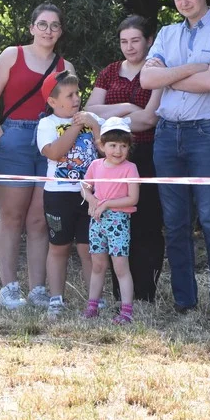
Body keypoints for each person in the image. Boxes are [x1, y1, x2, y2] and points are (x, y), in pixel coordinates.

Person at [140, 0, 210, 315]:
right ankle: (184, 300)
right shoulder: (167, 33)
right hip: (167, 134)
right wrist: (192, 68)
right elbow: (146, 79)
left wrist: (167, 77)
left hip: (207, 134)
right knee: (176, 222)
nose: (184, 2)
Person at [0, 4, 73, 309]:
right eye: (43, 24)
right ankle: (8, 288)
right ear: (31, 27)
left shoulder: (65, 67)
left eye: (55, 25)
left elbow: (70, 110)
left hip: (50, 142)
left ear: (60, 31)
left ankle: (37, 290)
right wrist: (2, 138)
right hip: (14, 140)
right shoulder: (12, 55)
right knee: (11, 217)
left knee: (38, 221)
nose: (48, 30)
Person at [84, 15, 165, 302]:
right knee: (114, 222)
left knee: (146, 222)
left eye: (135, 40)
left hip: (147, 154)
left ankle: (145, 292)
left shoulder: (157, 71)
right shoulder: (109, 72)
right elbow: (91, 110)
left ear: (149, 41)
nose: (129, 47)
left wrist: (113, 114)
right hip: (112, 159)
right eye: (123, 41)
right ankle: (121, 294)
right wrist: (129, 106)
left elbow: (148, 120)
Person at [36, 70, 102, 318]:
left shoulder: (90, 119)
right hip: (58, 195)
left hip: (89, 196)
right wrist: (75, 127)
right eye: (69, 94)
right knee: (59, 248)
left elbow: (105, 151)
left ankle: (95, 300)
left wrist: (94, 126)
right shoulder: (47, 124)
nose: (76, 99)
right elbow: (53, 152)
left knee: (89, 249)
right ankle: (56, 299)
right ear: (53, 102)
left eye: (78, 93)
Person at [81, 117, 139, 324]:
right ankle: (92, 306)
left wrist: (106, 204)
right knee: (97, 265)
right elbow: (85, 187)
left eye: (123, 146)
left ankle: (126, 311)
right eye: (113, 145)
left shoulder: (130, 168)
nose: (118, 150)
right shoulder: (96, 165)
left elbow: (133, 198)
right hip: (97, 221)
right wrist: (92, 200)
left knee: (121, 266)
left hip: (118, 221)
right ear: (102, 145)